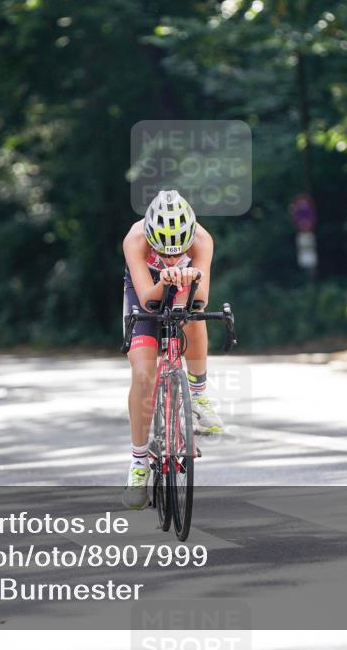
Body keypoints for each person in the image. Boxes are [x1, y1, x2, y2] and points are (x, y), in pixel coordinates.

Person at [121, 189, 224, 509]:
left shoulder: (202, 241)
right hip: (144, 293)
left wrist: (188, 282)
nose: (169, 257)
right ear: (151, 237)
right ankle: (139, 464)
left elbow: (200, 300)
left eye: (176, 252)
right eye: (162, 252)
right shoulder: (135, 239)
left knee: (191, 313)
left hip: (184, 289)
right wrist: (165, 280)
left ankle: (199, 392)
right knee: (142, 374)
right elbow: (149, 301)